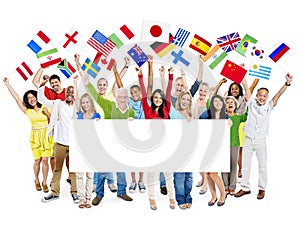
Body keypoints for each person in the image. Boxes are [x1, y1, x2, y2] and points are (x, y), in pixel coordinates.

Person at [235, 73, 293, 200]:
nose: (262, 97)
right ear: (256, 96)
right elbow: (245, 86)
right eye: (260, 95)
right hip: (248, 138)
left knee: (262, 165)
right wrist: (242, 70)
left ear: (267, 97)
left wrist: (286, 83)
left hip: (261, 140)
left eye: (264, 96)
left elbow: (278, 95)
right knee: (245, 164)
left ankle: (262, 188)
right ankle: (245, 187)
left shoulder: (269, 106)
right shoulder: (251, 102)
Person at [82, 69, 135, 204]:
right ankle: (99, 194)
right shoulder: (106, 104)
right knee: (102, 166)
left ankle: (122, 192)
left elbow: (130, 118)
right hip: (103, 138)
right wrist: (87, 83)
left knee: (120, 167)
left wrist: (130, 119)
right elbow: (94, 94)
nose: (121, 99)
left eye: (123, 97)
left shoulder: (126, 109)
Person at [74, 53, 118, 193]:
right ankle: (94, 184)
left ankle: (111, 182)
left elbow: (119, 80)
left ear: (107, 85)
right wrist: (77, 63)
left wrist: (125, 66)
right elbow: (85, 79)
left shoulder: (111, 95)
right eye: (100, 85)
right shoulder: (93, 96)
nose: (102, 86)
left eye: (104, 84)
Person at [3, 77, 53, 193]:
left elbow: (54, 119)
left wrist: (43, 83)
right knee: (37, 161)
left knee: (45, 160)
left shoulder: (45, 107)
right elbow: (16, 98)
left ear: (37, 97)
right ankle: (36, 180)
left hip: (46, 136)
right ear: (27, 100)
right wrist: (8, 84)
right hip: (35, 137)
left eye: (33, 96)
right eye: (29, 98)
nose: (31, 99)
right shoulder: (27, 111)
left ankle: (45, 182)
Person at [39, 82, 79, 204]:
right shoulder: (58, 104)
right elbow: (42, 100)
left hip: (73, 144)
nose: (70, 94)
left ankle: (75, 193)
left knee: (73, 170)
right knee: (57, 169)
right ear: (65, 93)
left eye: (72, 92)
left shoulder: (78, 107)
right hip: (60, 143)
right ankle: (55, 193)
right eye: (68, 92)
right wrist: (42, 85)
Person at [32, 69, 71, 184]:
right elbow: (35, 82)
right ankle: (55, 177)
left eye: (56, 82)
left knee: (69, 154)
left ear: (60, 82)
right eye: (52, 83)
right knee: (53, 155)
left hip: (66, 127)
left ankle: (70, 176)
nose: (54, 84)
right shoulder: (48, 93)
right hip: (54, 128)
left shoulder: (67, 92)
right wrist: (43, 67)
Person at [74, 75, 100, 208]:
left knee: (90, 175)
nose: (84, 105)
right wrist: (75, 82)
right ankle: (81, 198)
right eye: (83, 103)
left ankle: (89, 198)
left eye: (87, 102)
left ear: (90, 102)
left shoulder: (96, 116)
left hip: (92, 149)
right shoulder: (79, 115)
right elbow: (76, 98)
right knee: (79, 175)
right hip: (80, 148)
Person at [200, 95, 228, 206]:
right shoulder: (207, 113)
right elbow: (197, 122)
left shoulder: (225, 116)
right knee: (207, 173)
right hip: (207, 146)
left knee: (214, 173)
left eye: (219, 101)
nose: (217, 103)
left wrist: (229, 122)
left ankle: (223, 194)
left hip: (219, 147)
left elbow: (228, 124)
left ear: (222, 103)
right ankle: (213, 195)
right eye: (215, 101)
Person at [170, 91, 194, 209]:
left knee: (189, 175)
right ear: (179, 100)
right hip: (177, 148)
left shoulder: (191, 114)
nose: (185, 101)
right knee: (180, 175)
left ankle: (188, 197)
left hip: (190, 148)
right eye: (183, 99)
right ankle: (180, 199)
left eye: (188, 100)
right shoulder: (174, 112)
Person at [221, 96, 247, 196]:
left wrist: (247, 103)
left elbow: (246, 115)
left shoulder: (237, 117)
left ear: (235, 105)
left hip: (235, 143)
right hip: (223, 144)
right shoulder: (222, 116)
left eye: (232, 102)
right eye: (227, 102)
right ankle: (225, 186)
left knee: (233, 166)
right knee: (224, 165)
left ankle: (232, 187)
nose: (230, 103)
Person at [193, 81, 209, 194]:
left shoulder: (208, 103)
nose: (202, 93)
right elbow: (195, 120)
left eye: (205, 91)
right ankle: (203, 178)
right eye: (201, 90)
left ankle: (206, 183)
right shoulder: (195, 101)